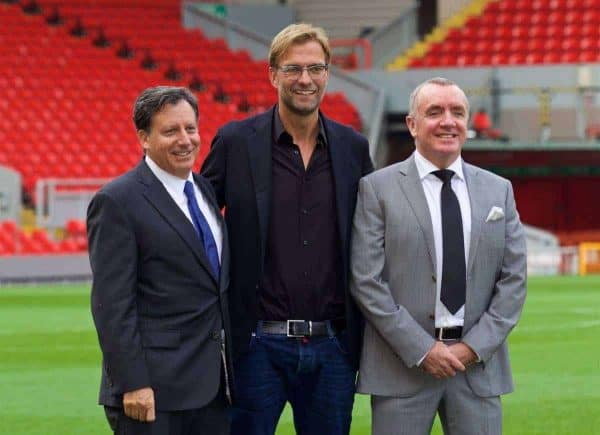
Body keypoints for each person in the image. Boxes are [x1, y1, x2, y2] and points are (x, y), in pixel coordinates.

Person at [201, 23, 373, 435]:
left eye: (316, 68)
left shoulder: (352, 147)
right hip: (257, 345)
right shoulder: (235, 142)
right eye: (293, 69)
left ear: (328, 73)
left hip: (332, 346)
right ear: (273, 74)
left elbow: (376, 231)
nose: (305, 79)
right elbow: (197, 222)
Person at [350, 77, 526, 435]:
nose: (448, 121)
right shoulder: (377, 189)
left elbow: (514, 281)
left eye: (457, 112)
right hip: (402, 368)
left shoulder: (498, 190)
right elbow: (367, 280)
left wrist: (472, 348)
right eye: (435, 112)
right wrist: (422, 349)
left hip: (476, 369)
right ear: (412, 124)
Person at [87, 86, 232, 435]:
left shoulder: (204, 189)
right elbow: (111, 304)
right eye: (170, 131)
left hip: (214, 389)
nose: (185, 140)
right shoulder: (117, 201)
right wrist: (133, 383)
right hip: (153, 393)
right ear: (144, 138)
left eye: (191, 128)